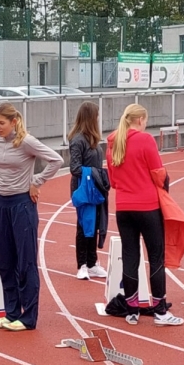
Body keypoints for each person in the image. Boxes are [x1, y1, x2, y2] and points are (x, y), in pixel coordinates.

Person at [0, 103, 63, 331]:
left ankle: (28, 317)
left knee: (25, 262)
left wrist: (36, 182)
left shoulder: (26, 142)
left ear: (14, 122)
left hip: (22, 204)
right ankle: (11, 313)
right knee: (5, 261)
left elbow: (56, 160)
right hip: (2, 204)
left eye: (1, 123)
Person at [106, 103, 183, 326]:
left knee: (130, 256)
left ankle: (132, 310)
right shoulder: (145, 140)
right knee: (155, 257)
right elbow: (158, 173)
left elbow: (112, 180)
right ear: (140, 120)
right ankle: (160, 311)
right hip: (148, 206)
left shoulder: (112, 142)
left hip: (123, 207)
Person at [69, 101, 109, 280]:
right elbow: (75, 168)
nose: (98, 118)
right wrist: (94, 173)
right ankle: (82, 264)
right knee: (84, 225)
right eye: (96, 115)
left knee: (94, 225)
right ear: (90, 117)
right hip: (84, 189)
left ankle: (92, 263)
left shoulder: (92, 139)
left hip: (95, 188)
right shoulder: (78, 140)